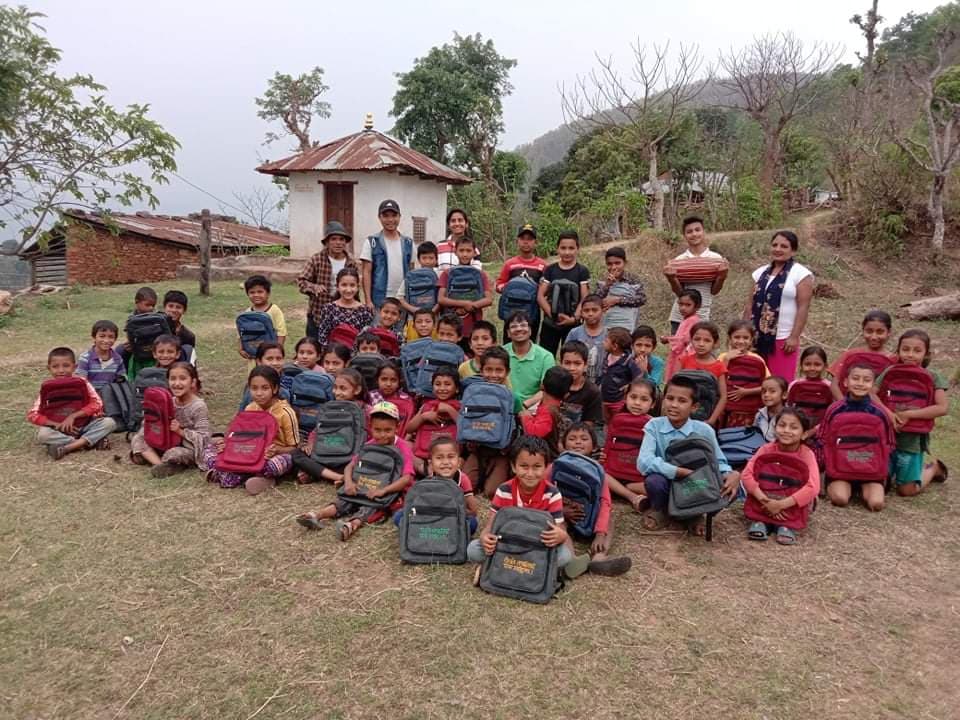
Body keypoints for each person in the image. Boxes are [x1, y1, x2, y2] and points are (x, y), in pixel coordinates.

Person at [468, 436, 591, 582]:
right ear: (514, 467)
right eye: (524, 466)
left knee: (564, 557)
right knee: (473, 550)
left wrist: (560, 535)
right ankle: (535, 570)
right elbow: (490, 527)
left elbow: (560, 530)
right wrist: (485, 538)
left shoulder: (552, 493)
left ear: (546, 467)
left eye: (537, 467)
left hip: (536, 547)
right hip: (508, 544)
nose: (530, 473)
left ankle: (499, 566)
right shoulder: (504, 490)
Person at [637, 374, 741, 534]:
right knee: (654, 481)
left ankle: (696, 514)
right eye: (670, 398)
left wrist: (731, 474)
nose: (674, 405)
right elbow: (644, 462)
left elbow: (718, 461)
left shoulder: (704, 430)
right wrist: (677, 472)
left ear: (694, 407)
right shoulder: (654, 426)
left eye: (682, 401)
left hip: (697, 485)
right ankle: (662, 511)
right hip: (668, 483)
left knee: (731, 488)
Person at [296, 401, 414, 542]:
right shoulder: (369, 445)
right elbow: (350, 466)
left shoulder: (403, 447)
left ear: (397, 427)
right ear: (371, 427)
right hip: (362, 484)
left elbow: (407, 478)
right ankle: (317, 515)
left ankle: (351, 525)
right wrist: (349, 482)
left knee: (372, 506)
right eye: (377, 430)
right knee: (344, 500)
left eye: (388, 430)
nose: (382, 435)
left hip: (384, 490)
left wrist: (384, 491)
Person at [876, 329, 950, 497]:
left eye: (917, 351)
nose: (910, 355)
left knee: (906, 491)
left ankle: (933, 468)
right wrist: (888, 412)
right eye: (905, 349)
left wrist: (909, 415)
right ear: (898, 351)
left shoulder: (933, 377)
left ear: (926, 354)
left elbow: (942, 407)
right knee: (880, 483)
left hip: (912, 440)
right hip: (887, 436)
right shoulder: (890, 372)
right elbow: (872, 394)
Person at [204, 366, 299, 495]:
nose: (259, 393)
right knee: (209, 451)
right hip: (248, 453)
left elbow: (294, 448)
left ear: (275, 388)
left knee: (276, 464)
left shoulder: (286, 413)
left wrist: (276, 450)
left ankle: (257, 477)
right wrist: (226, 446)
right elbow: (240, 437)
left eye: (265, 388)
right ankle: (243, 474)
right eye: (254, 388)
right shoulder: (250, 408)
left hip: (271, 457)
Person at [555, 423, 632, 576]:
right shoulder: (556, 466)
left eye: (584, 439)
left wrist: (600, 534)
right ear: (562, 445)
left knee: (609, 521)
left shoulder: (598, 471)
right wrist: (560, 511)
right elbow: (545, 492)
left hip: (589, 517)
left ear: (594, 446)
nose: (578, 442)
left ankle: (598, 558)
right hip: (565, 514)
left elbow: (605, 502)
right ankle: (571, 559)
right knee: (557, 522)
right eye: (572, 438)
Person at [742, 407, 820, 545]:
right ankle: (760, 520)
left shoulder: (806, 454)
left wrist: (780, 505)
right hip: (764, 500)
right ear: (774, 428)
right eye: (782, 425)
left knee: (804, 494)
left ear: (804, 434)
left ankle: (786, 524)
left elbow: (813, 487)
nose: (786, 431)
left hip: (789, 503)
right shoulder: (766, 449)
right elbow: (747, 475)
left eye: (794, 427)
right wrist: (766, 501)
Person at [743, 230, 814, 381]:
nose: (778, 249)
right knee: (755, 379)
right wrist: (745, 332)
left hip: (783, 338)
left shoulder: (800, 274)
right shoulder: (760, 273)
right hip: (757, 336)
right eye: (775, 245)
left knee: (780, 381)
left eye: (784, 246)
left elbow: (803, 307)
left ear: (793, 250)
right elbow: (750, 304)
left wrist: (794, 337)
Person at [821, 363, 892, 511]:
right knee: (840, 499)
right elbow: (823, 440)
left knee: (876, 504)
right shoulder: (835, 409)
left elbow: (889, 446)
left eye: (866, 380)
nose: (860, 383)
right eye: (855, 378)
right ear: (846, 382)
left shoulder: (880, 412)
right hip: (840, 470)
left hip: (870, 471)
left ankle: (863, 487)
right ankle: (838, 485)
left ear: (873, 385)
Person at [28, 347, 117, 460]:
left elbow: (97, 403)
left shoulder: (82, 383)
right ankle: (87, 442)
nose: (61, 370)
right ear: (49, 368)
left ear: (74, 367)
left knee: (109, 423)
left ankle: (68, 447)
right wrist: (56, 424)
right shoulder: (48, 388)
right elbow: (33, 415)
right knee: (43, 435)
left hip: (84, 425)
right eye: (55, 367)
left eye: (66, 366)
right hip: (61, 430)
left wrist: (73, 416)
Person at [129, 362, 210, 478]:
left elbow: (204, 438)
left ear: (193, 382)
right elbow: (152, 423)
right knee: (138, 439)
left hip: (185, 446)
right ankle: (161, 464)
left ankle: (160, 461)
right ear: (167, 381)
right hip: (164, 441)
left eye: (183, 379)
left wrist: (180, 431)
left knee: (174, 453)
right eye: (173, 379)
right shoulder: (168, 401)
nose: (177, 383)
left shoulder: (198, 406)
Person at [292, 368, 371, 486]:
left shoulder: (366, 410)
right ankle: (339, 477)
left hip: (350, 458)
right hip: (325, 453)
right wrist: (311, 443)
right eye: (335, 387)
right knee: (296, 454)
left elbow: (370, 435)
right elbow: (318, 429)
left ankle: (320, 474)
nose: (337, 392)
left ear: (357, 389)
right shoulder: (329, 408)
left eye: (343, 388)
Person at [394, 436, 479, 533]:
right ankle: (431, 530)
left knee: (472, 523)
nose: (446, 462)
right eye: (439, 458)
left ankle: (437, 531)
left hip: (452, 517)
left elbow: (473, 511)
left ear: (459, 462)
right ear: (431, 464)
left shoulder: (462, 479)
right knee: (399, 517)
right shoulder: (429, 479)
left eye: (451, 457)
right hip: (431, 515)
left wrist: (451, 510)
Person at [461, 347, 516, 497]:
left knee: (491, 492)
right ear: (481, 370)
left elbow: (519, 423)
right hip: (477, 450)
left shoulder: (511, 397)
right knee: (465, 487)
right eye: (488, 370)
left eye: (499, 370)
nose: (493, 375)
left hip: (500, 453)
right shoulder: (474, 392)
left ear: (507, 372)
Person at [664, 215, 729, 332]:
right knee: (678, 349)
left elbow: (714, 291)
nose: (694, 234)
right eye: (689, 232)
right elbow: (679, 292)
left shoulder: (716, 258)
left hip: (702, 315)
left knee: (700, 349)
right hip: (680, 316)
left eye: (697, 230)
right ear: (684, 236)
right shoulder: (680, 260)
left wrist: (722, 276)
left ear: (703, 232)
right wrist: (671, 278)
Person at [601, 377, 656, 510]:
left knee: (657, 488)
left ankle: (624, 490)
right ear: (625, 398)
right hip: (614, 473)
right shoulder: (617, 419)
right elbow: (609, 443)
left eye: (644, 399)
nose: (637, 403)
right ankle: (631, 496)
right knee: (599, 475)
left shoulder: (653, 424)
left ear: (653, 404)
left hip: (638, 478)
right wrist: (603, 460)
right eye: (633, 397)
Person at [297, 220, 358, 339]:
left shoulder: (351, 262)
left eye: (341, 239)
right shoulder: (316, 260)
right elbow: (302, 281)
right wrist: (314, 287)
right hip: (319, 312)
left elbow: (355, 288)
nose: (338, 243)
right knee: (315, 349)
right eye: (334, 239)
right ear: (327, 242)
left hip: (343, 314)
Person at [538, 230, 591, 356]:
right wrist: (553, 315)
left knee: (571, 356)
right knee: (546, 356)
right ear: (557, 249)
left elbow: (585, 297)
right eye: (563, 248)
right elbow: (540, 296)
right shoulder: (550, 269)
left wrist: (573, 319)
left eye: (571, 248)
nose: (567, 252)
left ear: (578, 249)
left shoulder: (582, 271)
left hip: (573, 325)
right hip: (550, 323)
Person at [495, 223, 548, 342]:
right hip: (511, 311)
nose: (526, 242)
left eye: (529, 239)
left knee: (530, 342)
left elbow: (546, 290)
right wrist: (508, 288)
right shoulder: (510, 264)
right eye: (522, 239)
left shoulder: (542, 265)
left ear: (535, 242)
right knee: (509, 344)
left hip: (532, 312)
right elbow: (499, 285)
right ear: (517, 241)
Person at [406, 368, 462, 477]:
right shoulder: (426, 406)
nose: (442, 388)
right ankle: (426, 471)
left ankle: (438, 473)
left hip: (448, 457)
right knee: (407, 449)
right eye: (437, 384)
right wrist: (423, 417)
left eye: (447, 384)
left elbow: (465, 428)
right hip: (424, 456)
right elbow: (409, 429)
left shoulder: (460, 407)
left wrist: (450, 410)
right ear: (432, 388)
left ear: (457, 389)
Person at [829, 310, 895, 401]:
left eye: (880, 332)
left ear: (889, 332)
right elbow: (834, 385)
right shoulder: (850, 355)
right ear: (863, 330)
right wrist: (843, 405)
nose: (874, 337)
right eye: (869, 331)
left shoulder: (893, 360)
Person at [360, 199, 413, 310]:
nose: (390, 220)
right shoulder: (372, 242)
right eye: (386, 216)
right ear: (379, 217)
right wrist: (368, 300)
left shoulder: (408, 242)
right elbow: (366, 272)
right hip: (379, 299)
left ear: (399, 217)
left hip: (402, 298)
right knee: (379, 327)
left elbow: (411, 270)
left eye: (394, 216)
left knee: (399, 327)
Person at [437, 236, 493, 342]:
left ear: (474, 252)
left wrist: (470, 306)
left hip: (473, 325)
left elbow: (488, 299)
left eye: (468, 250)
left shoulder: (480, 275)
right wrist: (464, 304)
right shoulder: (447, 273)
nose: (465, 254)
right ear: (455, 251)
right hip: (450, 330)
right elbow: (441, 299)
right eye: (461, 250)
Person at [719, 320, 769, 428]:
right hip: (725, 410)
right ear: (729, 338)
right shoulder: (723, 357)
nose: (741, 341)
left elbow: (768, 386)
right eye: (737, 337)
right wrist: (727, 360)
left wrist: (746, 392)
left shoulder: (757, 359)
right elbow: (715, 380)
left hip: (749, 411)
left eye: (745, 338)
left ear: (751, 340)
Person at [677, 321, 728, 427]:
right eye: (697, 339)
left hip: (706, 418)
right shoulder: (683, 360)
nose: (701, 344)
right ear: (691, 340)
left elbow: (723, 396)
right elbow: (673, 386)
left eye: (707, 340)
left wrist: (712, 420)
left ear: (716, 343)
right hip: (681, 416)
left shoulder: (719, 367)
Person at [504, 311, 555, 411]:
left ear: (530, 330)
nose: (519, 329)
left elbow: (547, 390)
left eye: (523, 325)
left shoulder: (546, 357)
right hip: (504, 403)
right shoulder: (501, 353)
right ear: (508, 333)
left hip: (533, 406)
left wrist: (524, 405)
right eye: (513, 326)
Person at [520, 366, 574, 455]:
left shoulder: (548, 411)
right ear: (566, 395)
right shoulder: (555, 409)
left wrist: (525, 416)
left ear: (542, 385)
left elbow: (534, 433)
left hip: (547, 458)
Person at [314, 267, 374, 347]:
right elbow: (323, 337)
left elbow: (367, 338)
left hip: (356, 356)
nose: (348, 290)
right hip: (333, 355)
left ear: (357, 287)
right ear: (337, 287)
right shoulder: (328, 309)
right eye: (344, 285)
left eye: (352, 285)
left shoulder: (365, 311)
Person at [595, 246, 647, 331]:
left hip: (627, 325)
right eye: (609, 264)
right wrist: (607, 286)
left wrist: (617, 300)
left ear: (625, 263)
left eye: (617, 263)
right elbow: (595, 301)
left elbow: (641, 299)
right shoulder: (602, 281)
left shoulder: (632, 280)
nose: (613, 267)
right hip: (606, 325)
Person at [240, 275, 287, 361]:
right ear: (247, 294)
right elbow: (241, 333)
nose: (256, 295)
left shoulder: (274, 310)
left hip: (271, 354)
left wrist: (278, 350)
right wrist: (241, 348)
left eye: (260, 292)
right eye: (252, 292)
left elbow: (281, 332)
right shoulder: (247, 313)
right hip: (253, 353)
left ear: (268, 293)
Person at [600, 327, 640, 421]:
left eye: (606, 341)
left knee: (618, 420)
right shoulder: (607, 356)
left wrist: (630, 386)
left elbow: (638, 376)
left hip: (618, 401)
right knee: (606, 421)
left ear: (615, 346)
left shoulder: (627, 361)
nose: (603, 343)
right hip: (604, 398)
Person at [566, 294, 607, 386]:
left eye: (595, 310)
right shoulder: (574, 333)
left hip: (601, 382)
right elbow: (566, 355)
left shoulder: (608, 334)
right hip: (576, 381)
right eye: (586, 310)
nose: (590, 314)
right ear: (581, 312)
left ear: (603, 311)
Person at [559, 341, 602, 427]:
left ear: (585, 365)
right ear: (561, 363)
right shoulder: (555, 384)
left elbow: (588, 424)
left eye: (577, 363)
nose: (572, 368)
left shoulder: (592, 392)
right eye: (567, 363)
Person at [662, 289, 702, 381]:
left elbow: (686, 340)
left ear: (697, 306)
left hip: (684, 356)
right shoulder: (686, 319)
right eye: (681, 304)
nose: (683, 308)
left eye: (688, 305)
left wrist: (668, 339)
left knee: (679, 379)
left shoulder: (694, 320)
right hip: (679, 355)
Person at [369, 362, 414, 436]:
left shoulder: (406, 400)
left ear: (399, 382)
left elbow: (409, 427)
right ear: (377, 380)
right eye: (384, 379)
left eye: (393, 380)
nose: (388, 384)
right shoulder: (370, 397)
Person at [77, 320, 124, 385]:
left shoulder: (118, 359)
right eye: (102, 336)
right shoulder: (85, 358)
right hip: (90, 394)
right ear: (94, 337)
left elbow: (122, 380)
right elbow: (81, 382)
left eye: (111, 337)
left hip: (110, 394)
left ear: (115, 339)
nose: (106, 340)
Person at [755, 376, 788, 442]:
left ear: (784, 395)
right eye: (764, 391)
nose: (766, 395)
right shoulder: (759, 415)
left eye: (772, 391)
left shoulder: (788, 416)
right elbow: (754, 434)